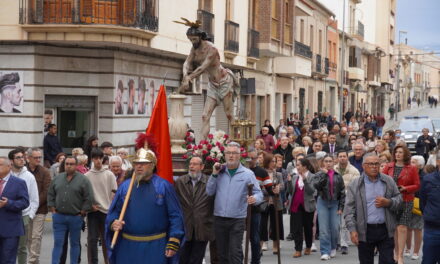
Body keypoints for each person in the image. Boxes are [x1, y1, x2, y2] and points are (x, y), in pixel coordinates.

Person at [106, 148, 185, 263]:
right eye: (136, 163)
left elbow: (175, 215)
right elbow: (113, 212)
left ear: (152, 165)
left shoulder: (164, 186)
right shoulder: (125, 187)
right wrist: (113, 223)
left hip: (156, 248)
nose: (138, 166)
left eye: (143, 163)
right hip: (127, 247)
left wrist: (174, 239)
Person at [178, 20, 240, 140]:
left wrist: (189, 78)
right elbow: (187, 62)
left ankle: (235, 142)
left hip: (224, 82)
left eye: (194, 39)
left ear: (200, 37)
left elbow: (202, 68)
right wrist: (185, 75)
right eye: (190, 39)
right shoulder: (194, 49)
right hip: (212, 85)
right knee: (204, 116)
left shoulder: (212, 49)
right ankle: (203, 145)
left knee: (229, 115)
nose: (192, 42)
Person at [206, 142, 263, 264]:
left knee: (235, 251)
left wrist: (254, 198)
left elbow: (259, 193)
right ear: (224, 155)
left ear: (240, 155)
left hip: (237, 218)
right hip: (219, 217)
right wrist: (214, 175)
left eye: (234, 153)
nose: (231, 156)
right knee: (221, 253)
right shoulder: (219, 171)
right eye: (228, 153)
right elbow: (209, 192)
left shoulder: (248, 174)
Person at [344, 153, 403, 264]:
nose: (374, 167)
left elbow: (399, 200)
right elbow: (349, 210)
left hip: (385, 229)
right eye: (371, 164)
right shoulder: (355, 184)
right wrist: (352, 230)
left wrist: (389, 202)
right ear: (363, 166)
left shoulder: (388, 181)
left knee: (388, 261)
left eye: (377, 164)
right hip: (365, 230)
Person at [47, 156, 94, 264]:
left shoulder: (83, 180)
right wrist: (53, 209)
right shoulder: (57, 178)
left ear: (76, 165)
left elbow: (89, 197)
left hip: (75, 217)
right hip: (59, 217)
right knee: (58, 243)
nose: (68, 166)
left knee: (75, 243)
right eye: (67, 164)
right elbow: (50, 194)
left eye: (71, 164)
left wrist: (82, 211)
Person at [382, 146, 420, 264]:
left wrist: (406, 188)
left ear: (405, 154)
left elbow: (417, 185)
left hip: (406, 200)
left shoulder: (412, 168)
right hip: (392, 200)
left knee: (402, 227)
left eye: (400, 152)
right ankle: (395, 253)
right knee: (394, 228)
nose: (398, 154)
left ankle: (400, 256)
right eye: (396, 152)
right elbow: (381, 180)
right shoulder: (388, 166)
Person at [175, 157, 214, 264]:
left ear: (202, 167)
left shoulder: (209, 182)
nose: (191, 166)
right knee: (183, 258)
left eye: (195, 164)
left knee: (196, 259)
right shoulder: (180, 182)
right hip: (185, 227)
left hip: (202, 227)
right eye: (190, 164)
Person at [85, 148, 117, 264]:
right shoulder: (87, 176)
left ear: (103, 159)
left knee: (106, 239)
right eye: (95, 158)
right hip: (93, 211)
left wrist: (112, 209)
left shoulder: (109, 175)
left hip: (107, 211)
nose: (98, 161)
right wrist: (90, 206)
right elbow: (85, 195)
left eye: (100, 158)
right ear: (92, 159)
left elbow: (114, 193)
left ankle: (108, 261)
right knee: (92, 240)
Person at [8, 149, 39, 264]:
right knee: (8, 246)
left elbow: (34, 199)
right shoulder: (6, 174)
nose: (22, 160)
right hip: (8, 215)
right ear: (11, 161)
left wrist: (30, 215)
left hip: (24, 216)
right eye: (18, 157)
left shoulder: (29, 177)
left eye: (23, 157)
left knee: (22, 248)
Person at [313, 155, 345, 260]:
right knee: (323, 228)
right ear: (323, 163)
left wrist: (341, 207)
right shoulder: (319, 174)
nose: (328, 163)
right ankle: (325, 251)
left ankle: (333, 247)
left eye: (330, 161)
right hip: (322, 202)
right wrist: (324, 175)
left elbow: (342, 192)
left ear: (333, 162)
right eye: (326, 161)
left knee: (335, 227)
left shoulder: (338, 175)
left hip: (335, 203)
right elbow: (317, 186)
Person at [0, 156, 30, 263]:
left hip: (11, 230)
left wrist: (8, 203)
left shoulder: (19, 183)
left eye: (0, 165)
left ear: (9, 166)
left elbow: (25, 202)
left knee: (8, 260)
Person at [246, 147, 273, 263]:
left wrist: (275, 190)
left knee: (254, 237)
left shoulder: (262, 172)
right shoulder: (241, 170)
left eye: (253, 158)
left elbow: (270, 188)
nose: (251, 160)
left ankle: (256, 260)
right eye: (249, 158)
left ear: (257, 158)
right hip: (240, 209)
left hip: (255, 208)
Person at [286, 158, 316, 258]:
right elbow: (290, 192)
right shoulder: (295, 177)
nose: (297, 167)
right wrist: (289, 182)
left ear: (305, 166)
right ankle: (298, 249)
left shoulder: (312, 176)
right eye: (296, 165)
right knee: (297, 229)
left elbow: (312, 191)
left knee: (308, 227)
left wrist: (305, 180)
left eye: (298, 165)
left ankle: (308, 246)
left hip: (307, 205)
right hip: (295, 205)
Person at [26, 148, 51, 264]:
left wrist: (34, 204)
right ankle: (34, 259)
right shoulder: (23, 171)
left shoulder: (45, 171)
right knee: (28, 236)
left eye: (39, 157)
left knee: (36, 236)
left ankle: (32, 260)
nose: (38, 160)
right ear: (29, 158)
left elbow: (46, 191)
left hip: (40, 209)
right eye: (35, 157)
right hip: (24, 209)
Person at [334, 150, 360, 255]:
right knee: (335, 223)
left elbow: (356, 187)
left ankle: (344, 244)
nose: (342, 158)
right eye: (340, 156)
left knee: (344, 223)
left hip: (347, 199)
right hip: (334, 199)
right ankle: (336, 242)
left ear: (347, 157)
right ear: (337, 158)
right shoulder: (333, 169)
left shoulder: (354, 171)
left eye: (344, 156)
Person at [259, 153, 284, 254]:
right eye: (272, 161)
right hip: (263, 202)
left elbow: (282, 185)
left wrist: (279, 188)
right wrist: (270, 190)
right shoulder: (261, 173)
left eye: (275, 161)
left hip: (276, 202)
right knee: (262, 224)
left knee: (276, 224)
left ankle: (275, 245)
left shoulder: (278, 174)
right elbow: (259, 187)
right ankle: (260, 245)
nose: (274, 163)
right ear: (267, 162)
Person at [420, 151, 440, 263]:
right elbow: (423, 202)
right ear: (438, 162)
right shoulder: (428, 179)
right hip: (432, 229)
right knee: (428, 260)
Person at [404, 155, 425, 260]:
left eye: (414, 162)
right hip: (407, 202)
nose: (411, 163)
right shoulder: (407, 174)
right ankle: (407, 249)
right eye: (410, 161)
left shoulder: (424, 177)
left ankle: (416, 252)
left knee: (417, 228)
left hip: (418, 204)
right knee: (408, 227)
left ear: (420, 165)